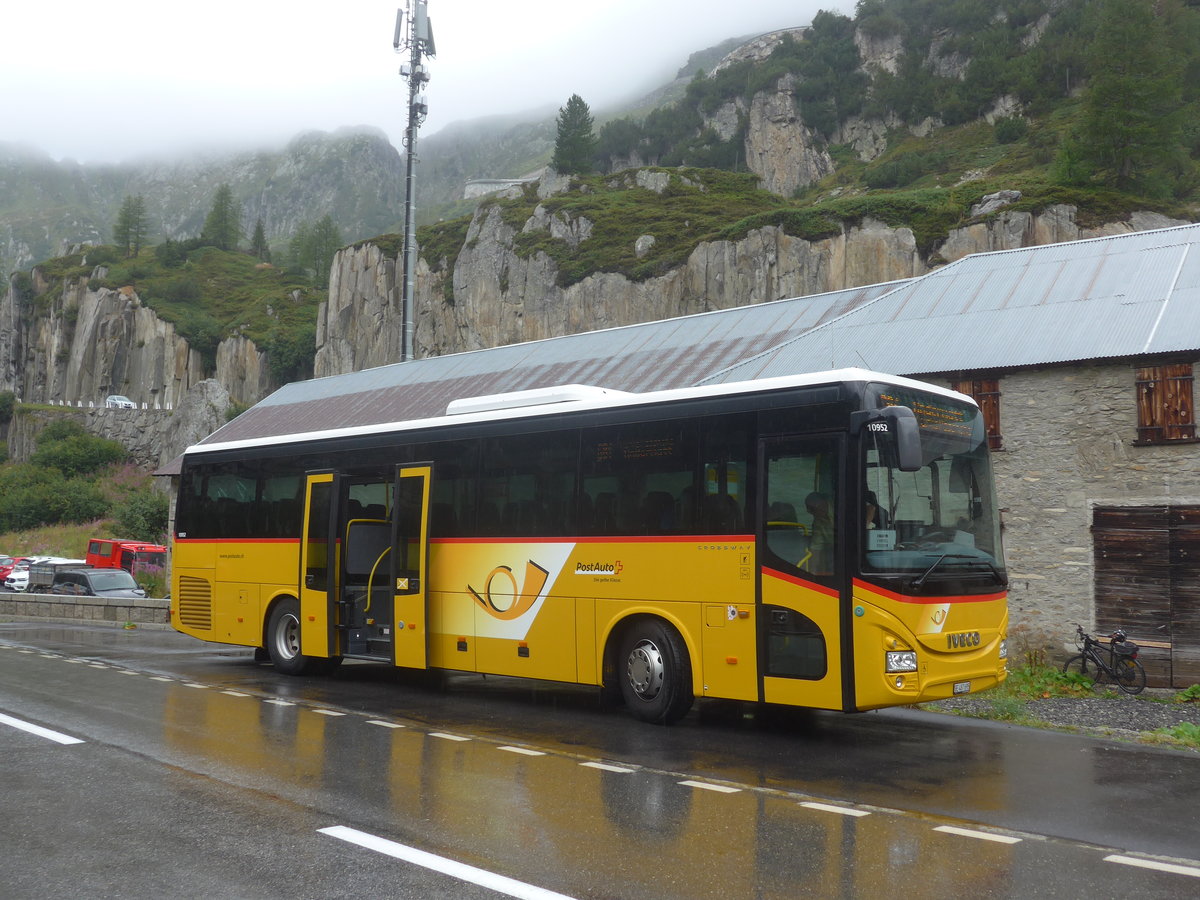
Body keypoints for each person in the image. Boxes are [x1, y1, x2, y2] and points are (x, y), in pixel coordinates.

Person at [805, 491, 834, 575]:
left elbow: (870, 507)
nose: (810, 512)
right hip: (835, 550)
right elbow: (816, 548)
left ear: (821, 505)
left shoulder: (839, 505)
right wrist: (812, 572)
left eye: (811, 509)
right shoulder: (818, 522)